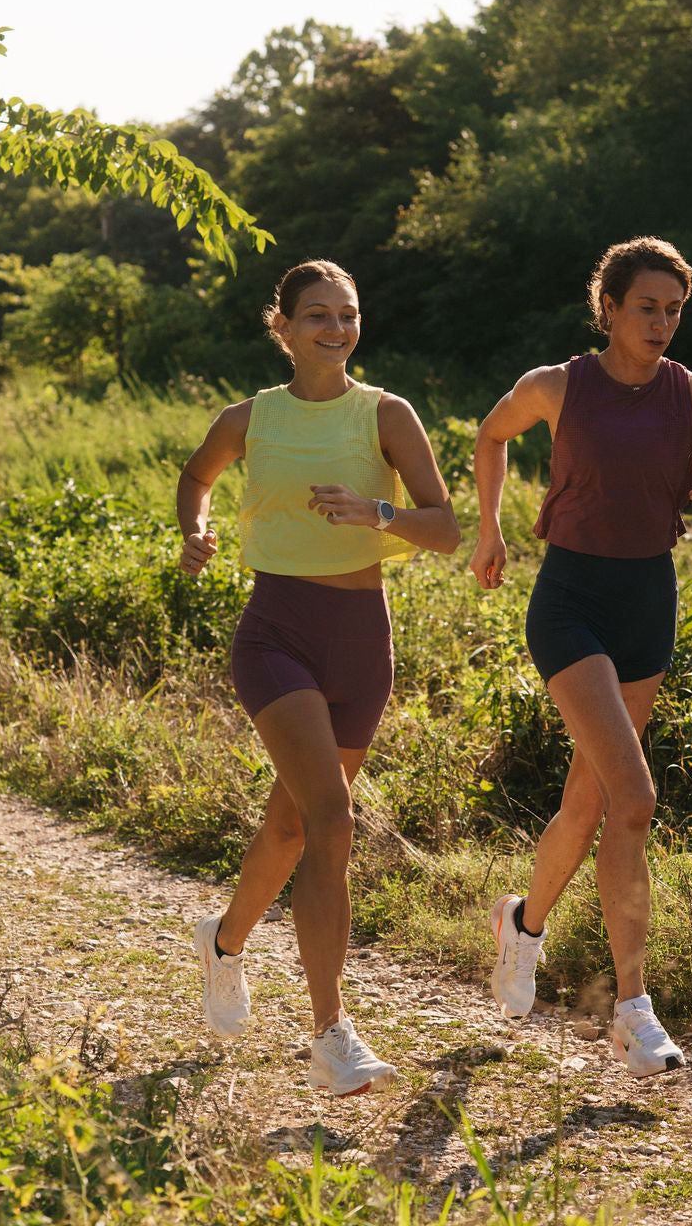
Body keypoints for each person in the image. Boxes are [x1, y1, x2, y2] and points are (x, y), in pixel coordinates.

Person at [469, 237, 692, 1078]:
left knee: (591, 801)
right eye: (646, 307)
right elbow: (490, 437)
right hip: (570, 604)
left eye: (673, 310)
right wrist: (489, 528)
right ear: (610, 308)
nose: (662, 323)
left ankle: (520, 926)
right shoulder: (559, 385)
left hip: (646, 606)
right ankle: (634, 1010)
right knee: (636, 798)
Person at [178, 259, 460, 1096]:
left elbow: (444, 529)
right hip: (277, 633)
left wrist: (374, 513)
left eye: (348, 314)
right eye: (316, 316)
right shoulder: (248, 418)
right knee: (333, 819)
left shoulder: (387, 415)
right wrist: (196, 529)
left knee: (297, 827)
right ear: (285, 328)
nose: (335, 329)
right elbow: (198, 477)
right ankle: (332, 1033)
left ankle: (224, 942)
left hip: (361, 642)